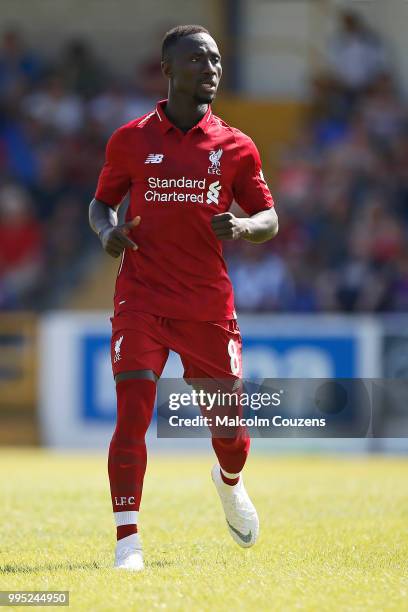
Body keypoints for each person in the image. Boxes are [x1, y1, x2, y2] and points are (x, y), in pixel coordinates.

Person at [89, 24, 278, 571]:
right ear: (168, 69)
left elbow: (270, 217)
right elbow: (101, 204)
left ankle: (229, 480)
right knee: (132, 417)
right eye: (199, 59)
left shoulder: (236, 146)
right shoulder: (129, 140)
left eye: (217, 60)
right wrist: (106, 233)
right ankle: (129, 542)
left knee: (232, 436)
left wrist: (244, 228)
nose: (212, 68)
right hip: (141, 299)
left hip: (206, 306)